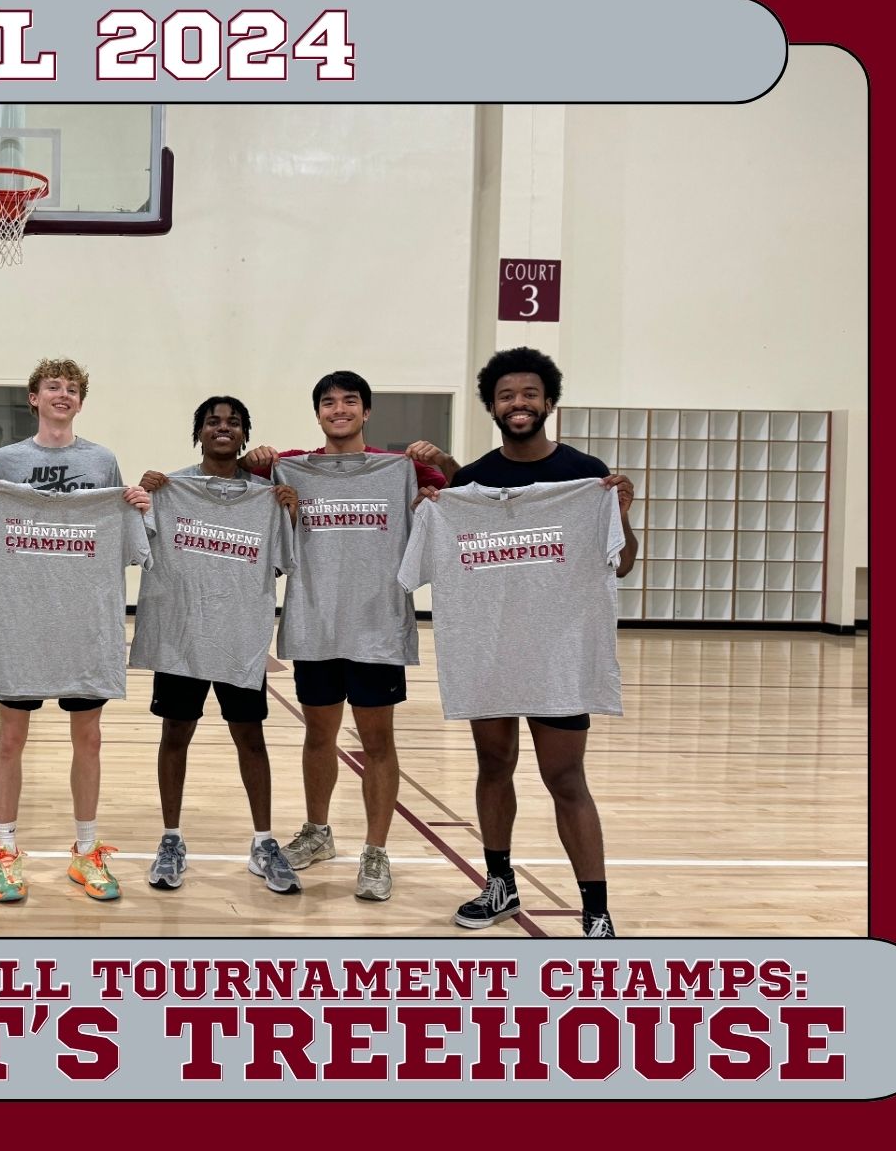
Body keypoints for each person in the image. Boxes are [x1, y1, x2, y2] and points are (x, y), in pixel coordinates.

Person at [410, 346, 636, 939]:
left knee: (566, 779)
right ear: (491, 405)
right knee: (494, 765)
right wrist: (436, 507)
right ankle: (500, 883)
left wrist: (623, 512)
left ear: (548, 402)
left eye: (529, 394)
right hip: (487, 649)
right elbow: (430, 561)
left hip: (560, 652)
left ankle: (596, 911)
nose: (519, 404)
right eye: (507, 395)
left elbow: (621, 564)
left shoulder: (586, 476)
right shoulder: (472, 481)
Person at [0, 359, 151, 903]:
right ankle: (5, 851)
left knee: (89, 738)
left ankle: (86, 851)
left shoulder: (101, 460)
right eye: (53, 387)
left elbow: (130, 538)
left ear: (81, 401)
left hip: (83, 622)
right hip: (19, 622)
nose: (63, 395)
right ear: (33, 398)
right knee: (11, 738)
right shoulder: (5, 459)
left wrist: (136, 507)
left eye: (73, 389)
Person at [240, 370, 449, 902]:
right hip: (314, 625)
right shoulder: (289, 467)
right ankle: (318, 832)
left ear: (366, 411)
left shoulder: (401, 469)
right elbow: (230, 487)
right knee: (318, 738)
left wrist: (440, 466)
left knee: (378, 743)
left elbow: (465, 492)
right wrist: (251, 462)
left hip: (378, 626)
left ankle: (376, 853)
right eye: (328, 403)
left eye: (349, 401)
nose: (339, 410)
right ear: (317, 414)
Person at [134, 396, 303, 893]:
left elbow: (278, 564)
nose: (222, 428)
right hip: (181, 633)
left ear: (245, 436)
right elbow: (138, 544)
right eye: (213, 422)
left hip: (238, 636)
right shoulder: (169, 488)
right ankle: (170, 838)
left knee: (251, 738)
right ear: (199, 433)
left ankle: (263, 841)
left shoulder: (266, 496)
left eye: (233, 423)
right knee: (175, 736)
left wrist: (287, 513)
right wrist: (146, 496)